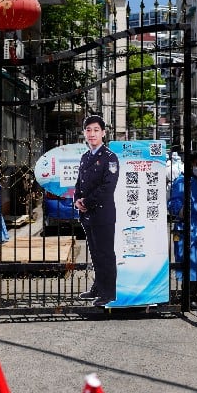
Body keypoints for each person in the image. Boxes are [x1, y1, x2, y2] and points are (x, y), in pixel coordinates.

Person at [73, 114, 119, 306]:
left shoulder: (110, 158)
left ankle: (108, 293)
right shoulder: (85, 157)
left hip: (102, 214)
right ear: (84, 133)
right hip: (87, 214)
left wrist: (86, 201)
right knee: (94, 252)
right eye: (88, 130)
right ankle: (98, 287)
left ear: (103, 133)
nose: (92, 134)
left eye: (96, 130)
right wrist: (77, 200)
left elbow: (108, 187)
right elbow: (79, 183)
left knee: (105, 254)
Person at [167, 152, 197, 292]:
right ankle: (188, 295)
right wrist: (183, 210)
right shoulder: (181, 181)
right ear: (191, 163)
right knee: (187, 261)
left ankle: (195, 294)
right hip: (186, 227)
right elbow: (172, 205)